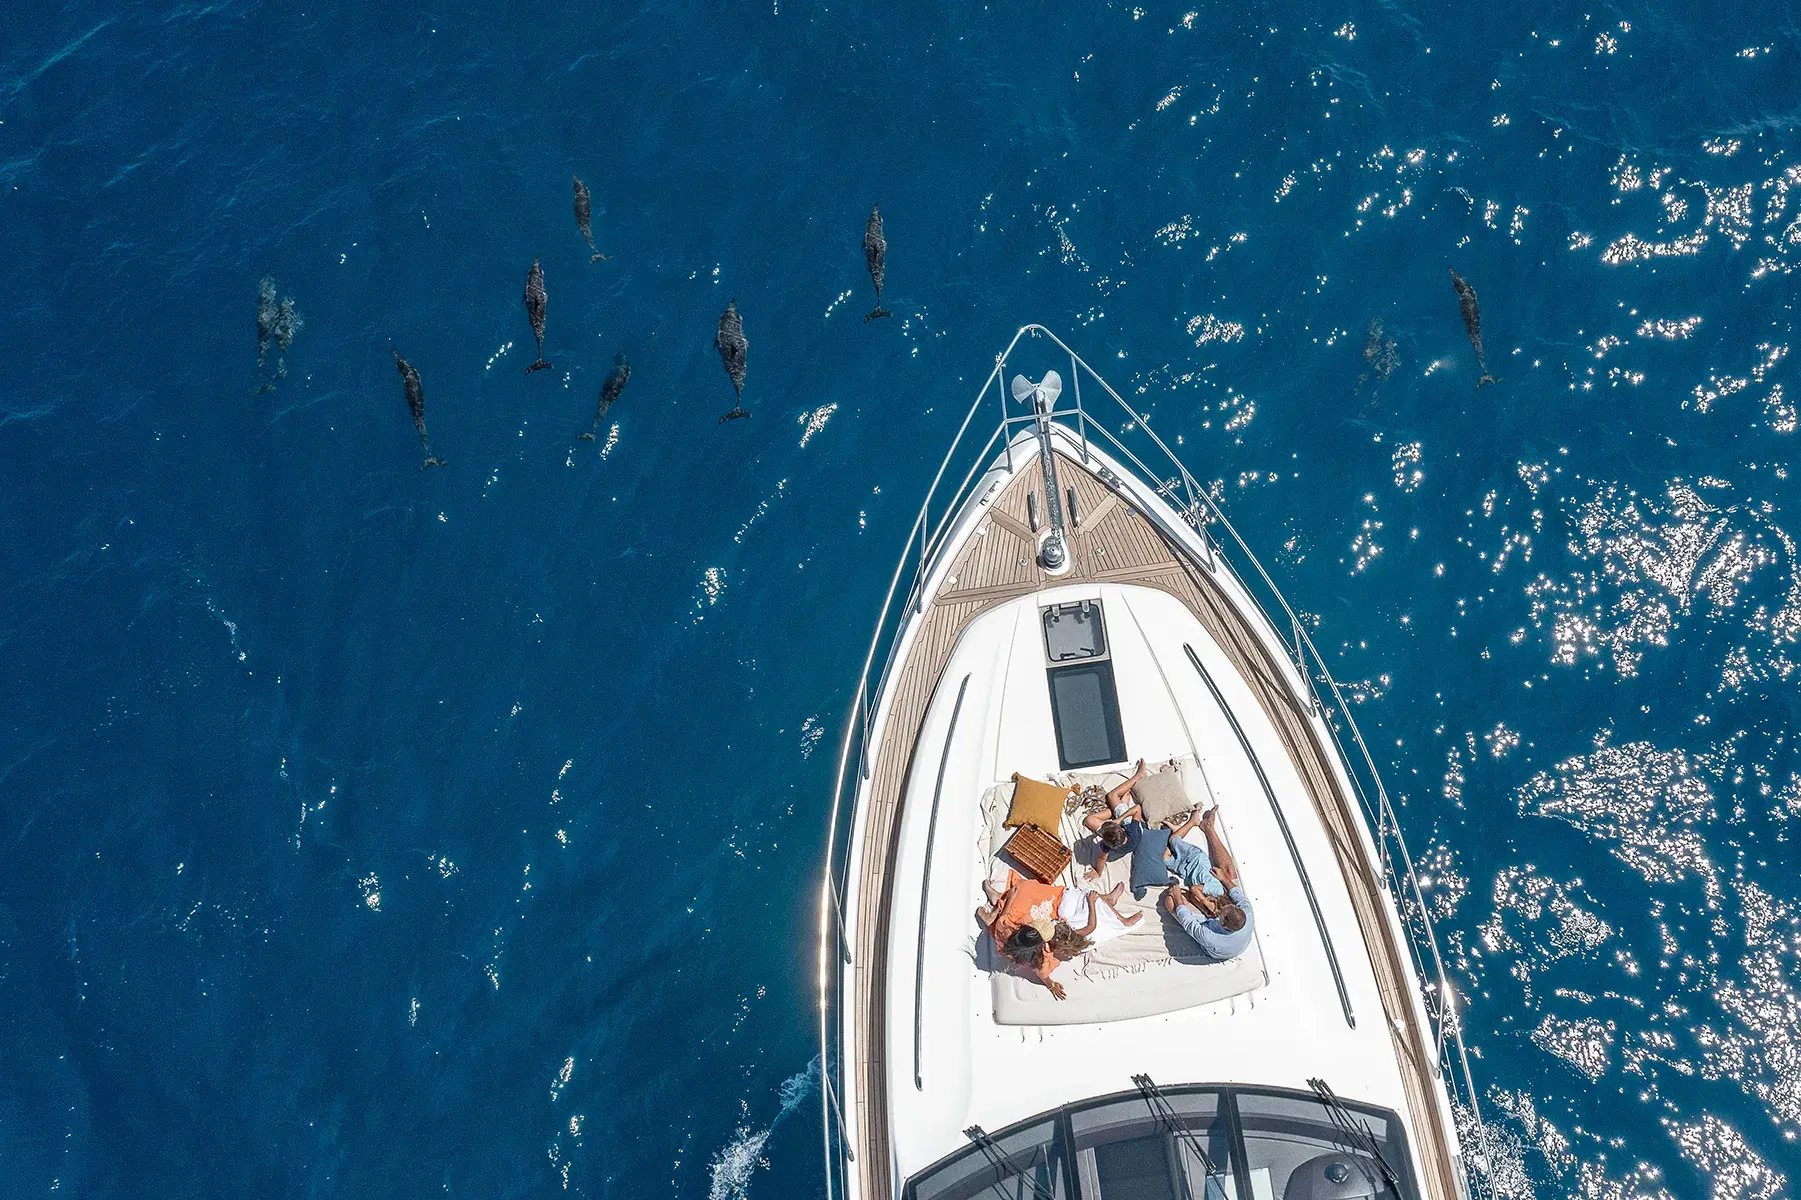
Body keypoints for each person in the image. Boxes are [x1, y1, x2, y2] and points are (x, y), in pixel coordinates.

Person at [976, 871, 1102, 1000]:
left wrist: (1010, 898)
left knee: (1023, 894)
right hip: (1007, 943)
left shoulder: (1008, 927)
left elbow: (1004, 918)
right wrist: (1051, 985)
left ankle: (996, 905)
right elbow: (1042, 973)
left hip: (1002, 933)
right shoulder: (1043, 954)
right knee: (1028, 903)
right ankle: (996, 906)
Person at [1161, 808, 1254, 960]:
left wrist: (1177, 896)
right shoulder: (1247, 912)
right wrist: (1223, 879)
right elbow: (1235, 892)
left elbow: (1187, 921)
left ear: (1222, 924)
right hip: (1229, 928)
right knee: (1229, 873)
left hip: (1217, 944)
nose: (1223, 906)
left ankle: (1192, 901)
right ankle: (1208, 827)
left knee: (1170, 901)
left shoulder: (1209, 936)